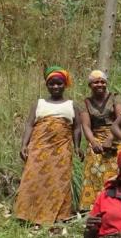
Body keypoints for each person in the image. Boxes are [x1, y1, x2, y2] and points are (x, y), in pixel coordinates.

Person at [13, 68, 79, 226]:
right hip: (39, 148)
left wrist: (77, 147)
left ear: (65, 85)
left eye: (59, 83)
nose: (55, 87)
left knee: (59, 182)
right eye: (52, 84)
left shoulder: (72, 105)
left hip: (61, 150)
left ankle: (59, 216)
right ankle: (26, 215)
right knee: (32, 178)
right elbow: (29, 124)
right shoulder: (39, 103)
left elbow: (77, 127)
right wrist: (24, 144)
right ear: (47, 85)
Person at [78, 69, 121, 210]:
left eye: (102, 82)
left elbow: (120, 120)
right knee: (93, 167)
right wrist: (93, 142)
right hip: (96, 137)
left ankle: (117, 204)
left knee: (119, 169)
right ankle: (92, 207)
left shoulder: (115, 97)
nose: (100, 85)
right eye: (96, 82)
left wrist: (110, 138)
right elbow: (85, 125)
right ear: (90, 85)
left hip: (115, 135)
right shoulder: (85, 102)